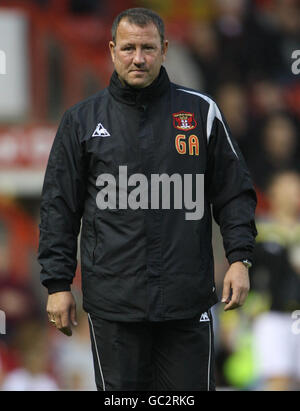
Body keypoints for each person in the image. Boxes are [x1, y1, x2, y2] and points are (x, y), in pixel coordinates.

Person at [38, 8, 257, 391]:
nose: (138, 58)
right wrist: (57, 284)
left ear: (165, 49)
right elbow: (59, 208)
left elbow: (234, 191)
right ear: (111, 50)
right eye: (128, 48)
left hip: (185, 303)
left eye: (147, 48)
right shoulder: (81, 121)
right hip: (113, 306)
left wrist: (240, 257)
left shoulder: (201, 112)